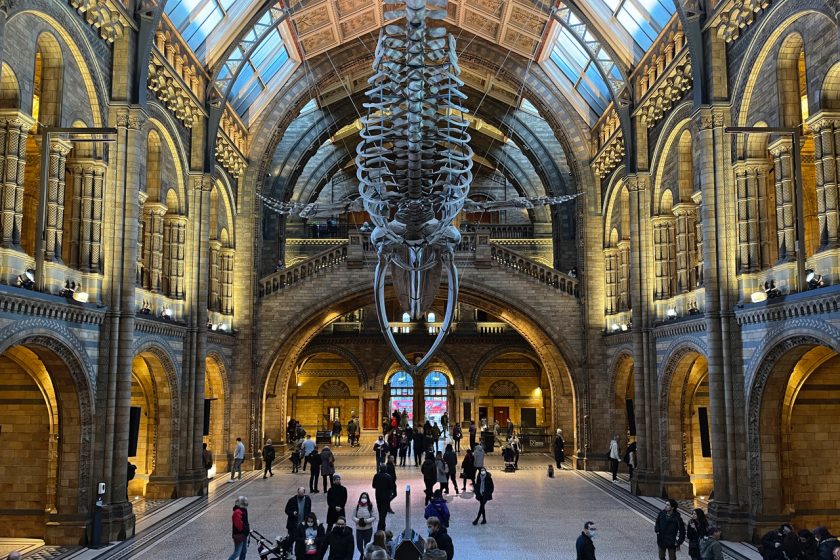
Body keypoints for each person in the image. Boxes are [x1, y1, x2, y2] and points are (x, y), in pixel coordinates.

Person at [371, 464, 395, 531]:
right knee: (383, 513)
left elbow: (373, 485)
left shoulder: (376, 475)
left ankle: (382, 527)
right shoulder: (388, 477)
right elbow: (391, 487)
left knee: (380, 511)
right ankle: (381, 528)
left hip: (378, 496)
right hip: (386, 497)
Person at [353, 492, 376, 560]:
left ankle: (365, 556)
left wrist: (366, 521)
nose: (364, 499)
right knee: (359, 545)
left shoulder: (370, 506)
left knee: (366, 545)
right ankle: (362, 553)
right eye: (362, 497)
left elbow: (374, 517)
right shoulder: (357, 506)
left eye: (365, 497)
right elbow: (353, 516)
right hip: (359, 529)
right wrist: (358, 520)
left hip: (368, 529)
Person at [227, 496, 250, 560]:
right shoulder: (237, 512)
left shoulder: (244, 510)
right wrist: (245, 529)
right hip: (239, 535)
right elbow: (238, 525)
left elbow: (245, 521)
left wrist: (246, 530)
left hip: (244, 534)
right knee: (237, 553)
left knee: (244, 551)